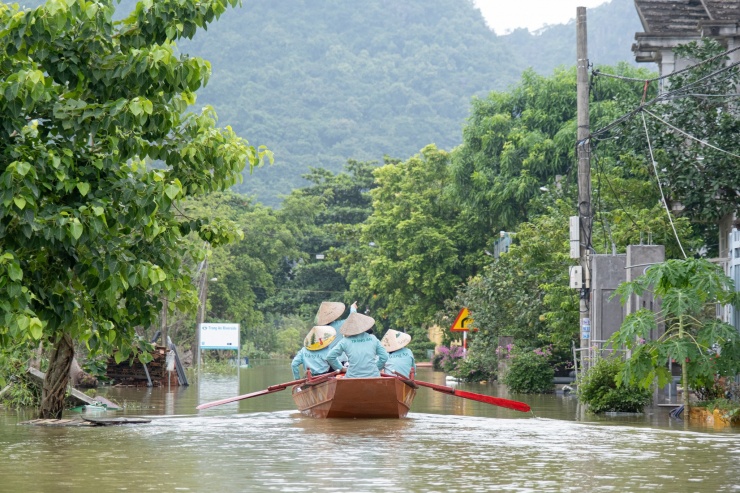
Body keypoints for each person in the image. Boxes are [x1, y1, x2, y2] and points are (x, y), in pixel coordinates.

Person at [326, 312, 388, 378]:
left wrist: (340, 368)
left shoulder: (345, 341)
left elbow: (330, 357)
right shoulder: (373, 338)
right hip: (373, 376)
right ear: (364, 326)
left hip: (352, 377)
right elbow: (384, 357)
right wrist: (375, 368)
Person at [316, 300, 357, 365]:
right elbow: (352, 318)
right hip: (340, 360)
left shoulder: (319, 330)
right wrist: (353, 308)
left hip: (325, 363)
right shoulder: (339, 325)